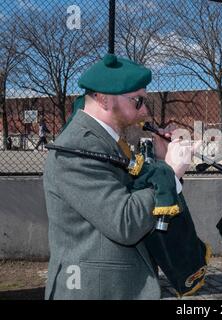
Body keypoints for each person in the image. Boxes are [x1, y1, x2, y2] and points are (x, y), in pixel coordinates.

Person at [43, 54, 195, 299]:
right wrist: (170, 171)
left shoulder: (106, 142)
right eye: (138, 101)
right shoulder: (76, 150)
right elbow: (125, 222)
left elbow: (132, 194)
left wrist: (159, 161)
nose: (144, 110)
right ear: (103, 99)